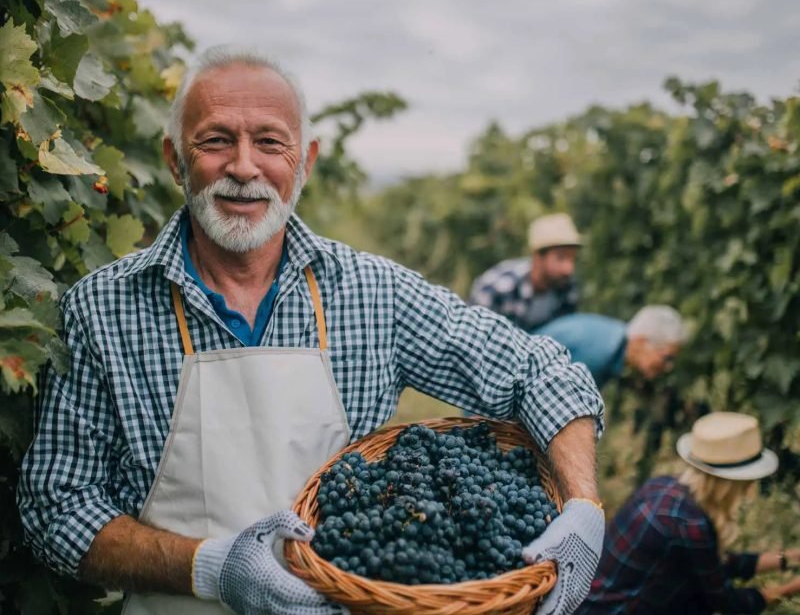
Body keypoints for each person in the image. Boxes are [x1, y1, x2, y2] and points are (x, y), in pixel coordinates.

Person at [17, 46, 605, 615]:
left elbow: (541, 372)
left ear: (306, 162)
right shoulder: (102, 309)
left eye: (270, 142)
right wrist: (211, 568)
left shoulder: (374, 293)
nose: (244, 166)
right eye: (216, 140)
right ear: (175, 159)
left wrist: (584, 508)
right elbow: (56, 509)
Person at [579, 411, 800, 614]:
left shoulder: (662, 487)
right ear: (734, 484)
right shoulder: (690, 524)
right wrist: (788, 589)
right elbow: (725, 601)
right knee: (694, 599)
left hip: (587, 605)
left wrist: (788, 558)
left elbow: (710, 563)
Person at [469, 213, 581, 332]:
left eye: (572, 259)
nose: (568, 269)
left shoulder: (567, 287)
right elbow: (472, 334)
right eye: (561, 258)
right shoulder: (498, 287)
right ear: (538, 257)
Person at [534, 305, 687, 388]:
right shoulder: (599, 353)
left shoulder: (613, 342)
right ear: (641, 341)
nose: (669, 366)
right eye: (667, 357)